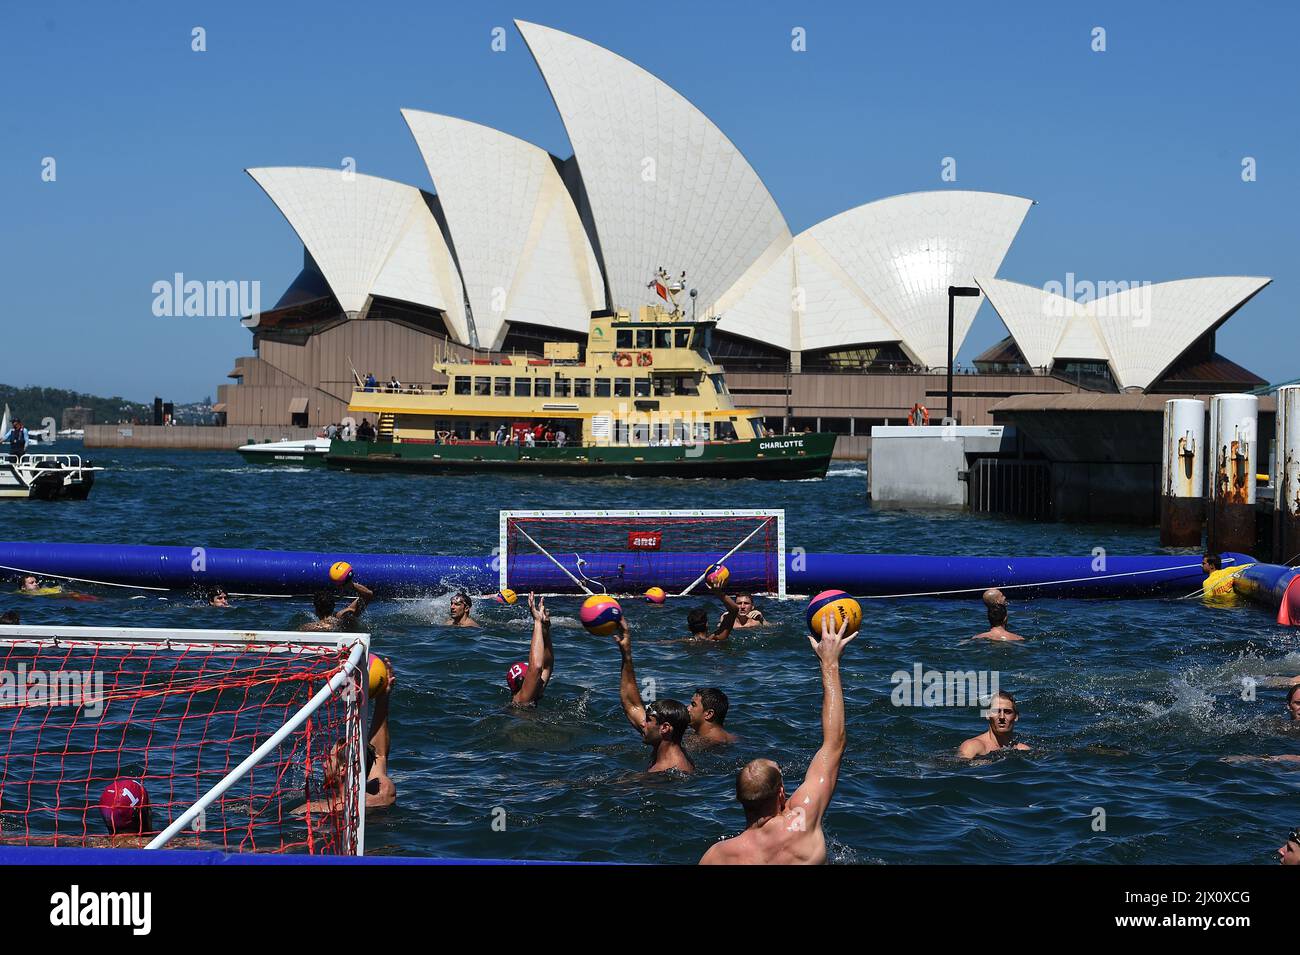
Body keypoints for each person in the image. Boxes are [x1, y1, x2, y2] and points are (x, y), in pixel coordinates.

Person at [699, 614, 854, 865]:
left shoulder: (718, 856)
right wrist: (829, 663)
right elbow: (834, 742)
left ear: (739, 799)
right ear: (782, 793)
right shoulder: (802, 819)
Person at [613, 618, 694, 773]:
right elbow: (632, 705)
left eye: (648, 720)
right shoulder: (665, 743)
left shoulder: (666, 771)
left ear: (664, 728)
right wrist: (626, 654)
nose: (643, 723)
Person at [508, 594, 554, 707]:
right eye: (535, 678)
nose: (539, 680)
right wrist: (537, 622)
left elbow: (547, 666)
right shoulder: (521, 699)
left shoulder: (535, 694)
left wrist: (545, 629)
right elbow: (536, 667)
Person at [958, 690, 1030, 758]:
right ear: (988, 715)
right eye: (996, 711)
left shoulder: (1023, 750)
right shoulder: (972, 747)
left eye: (1007, 712)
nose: (1002, 717)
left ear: (1016, 717)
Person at [299, 578, 373, 632]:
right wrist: (351, 585)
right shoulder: (344, 618)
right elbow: (368, 594)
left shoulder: (308, 627)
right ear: (334, 606)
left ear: (316, 609)